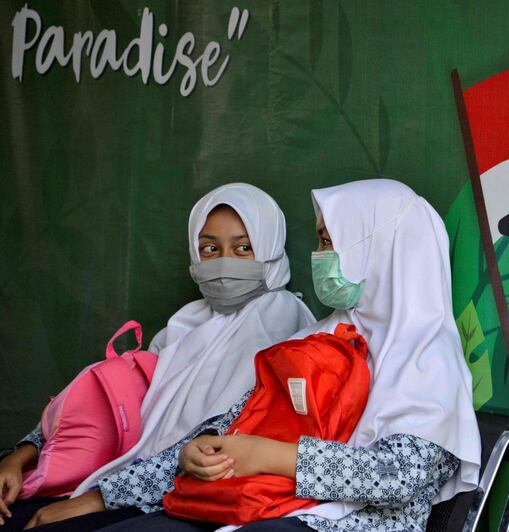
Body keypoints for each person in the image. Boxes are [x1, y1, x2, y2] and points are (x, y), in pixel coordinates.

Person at [94, 178, 482, 531]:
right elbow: (235, 427)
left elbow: (397, 476)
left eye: (329, 242)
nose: (318, 256)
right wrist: (193, 454)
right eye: (319, 241)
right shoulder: (314, 340)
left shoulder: (428, 360)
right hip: (258, 507)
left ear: (379, 249)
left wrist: (274, 456)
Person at [0, 183, 315, 530]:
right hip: (120, 476)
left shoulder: (280, 322)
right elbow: (105, 403)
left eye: (244, 248)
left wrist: (98, 499)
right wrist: (21, 456)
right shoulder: (186, 323)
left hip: (179, 496)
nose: (225, 262)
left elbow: (215, 443)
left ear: (270, 249)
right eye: (210, 248)